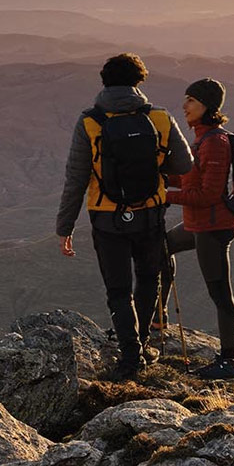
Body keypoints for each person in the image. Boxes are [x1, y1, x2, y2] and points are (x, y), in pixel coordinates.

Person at [57, 54, 193, 380]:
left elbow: (76, 178)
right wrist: (154, 167)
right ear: (139, 81)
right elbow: (185, 164)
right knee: (148, 280)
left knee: (118, 289)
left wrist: (65, 227)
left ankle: (130, 356)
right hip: (150, 214)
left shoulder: (90, 122)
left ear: (104, 81)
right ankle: (144, 344)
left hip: (107, 218)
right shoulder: (159, 117)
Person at [161, 78, 234, 380]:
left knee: (220, 293)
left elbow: (208, 195)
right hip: (199, 225)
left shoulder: (215, 143)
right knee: (162, 246)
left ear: (207, 106)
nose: (184, 106)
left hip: (213, 228)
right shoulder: (201, 138)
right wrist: (164, 180)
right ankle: (159, 318)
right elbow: (191, 181)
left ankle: (228, 361)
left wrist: (165, 196)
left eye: (191, 101)